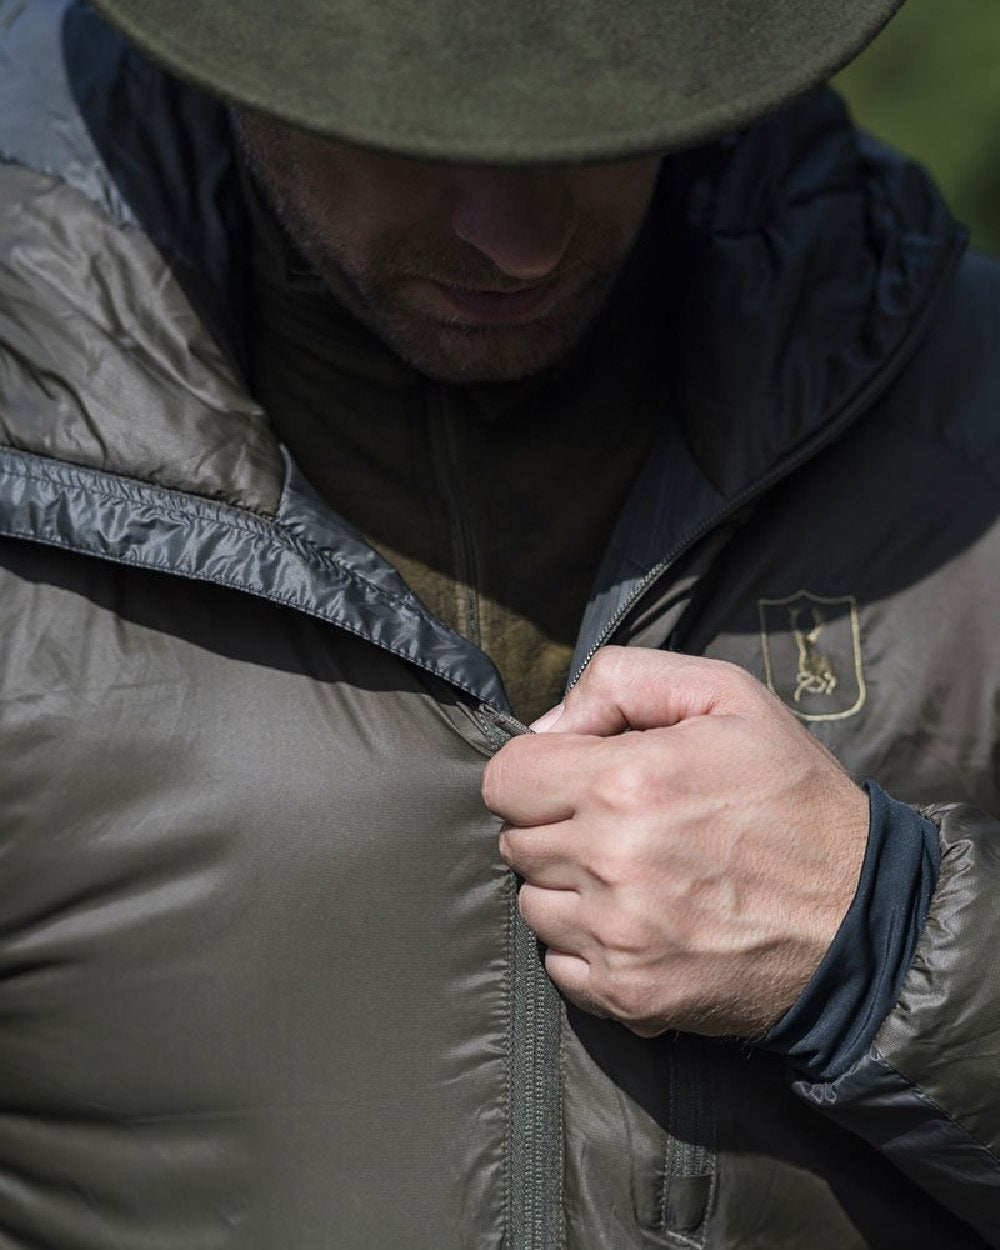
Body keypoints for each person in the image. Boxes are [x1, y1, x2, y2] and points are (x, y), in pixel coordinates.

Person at [0, 0, 997, 1246]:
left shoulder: (974, 434)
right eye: (416, 134)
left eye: (597, 125)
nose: (516, 244)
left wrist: (893, 947)